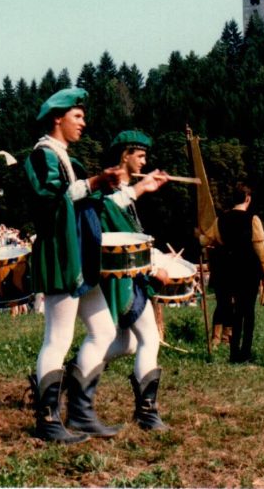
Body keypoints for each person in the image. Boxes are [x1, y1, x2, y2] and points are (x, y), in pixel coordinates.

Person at [24, 87, 121, 443]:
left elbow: (82, 199)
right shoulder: (42, 156)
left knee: (105, 331)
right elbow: (49, 202)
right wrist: (94, 182)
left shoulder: (66, 158)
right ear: (57, 119)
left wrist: (103, 186)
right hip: (62, 255)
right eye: (77, 116)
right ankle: (48, 419)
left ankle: (80, 412)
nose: (84, 122)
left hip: (81, 254)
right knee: (58, 337)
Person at [97, 130, 172, 431]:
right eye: (140, 155)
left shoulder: (126, 192)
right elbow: (109, 217)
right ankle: (147, 412)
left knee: (125, 343)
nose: (144, 160)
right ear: (125, 155)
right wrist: (154, 269)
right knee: (148, 339)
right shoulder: (112, 190)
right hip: (120, 278)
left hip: (129, 276)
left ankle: (67, 375)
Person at [199, 182, 264, 363]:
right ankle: (245, 353)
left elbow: (205, 240)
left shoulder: (220, 220)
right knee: (248, 312)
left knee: (236, 311)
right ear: (248, 199)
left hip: (230, 268)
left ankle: (233, 353)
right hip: (249, 268)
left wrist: (197, 233)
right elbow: (260, 247)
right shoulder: (253, 219)